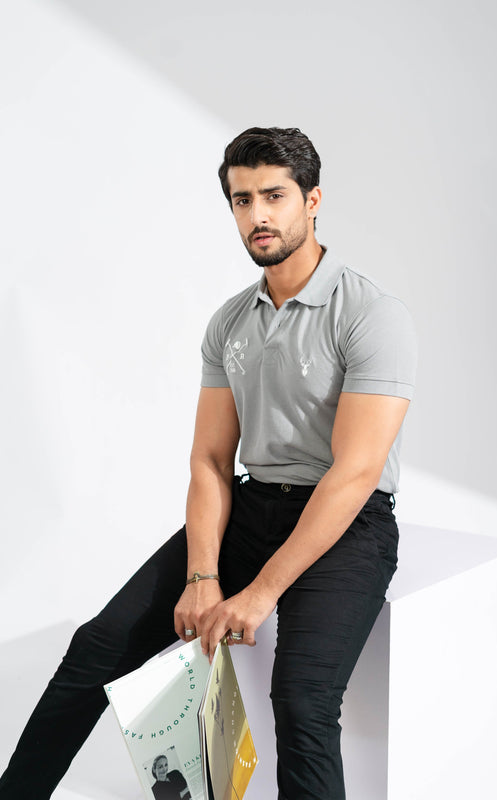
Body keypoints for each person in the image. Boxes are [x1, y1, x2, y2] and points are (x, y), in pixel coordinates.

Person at [0, 126, 416, 800]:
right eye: (242, 200)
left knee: (303, 703)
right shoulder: (230, 321)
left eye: (274, 196)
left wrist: (259, 592)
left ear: (312, 200)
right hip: (252, 508)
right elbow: (211, 460)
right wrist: (202, 575)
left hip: (348, 523)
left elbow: (355, 472)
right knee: (96, 647)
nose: (257, 215)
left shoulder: (371, 314)